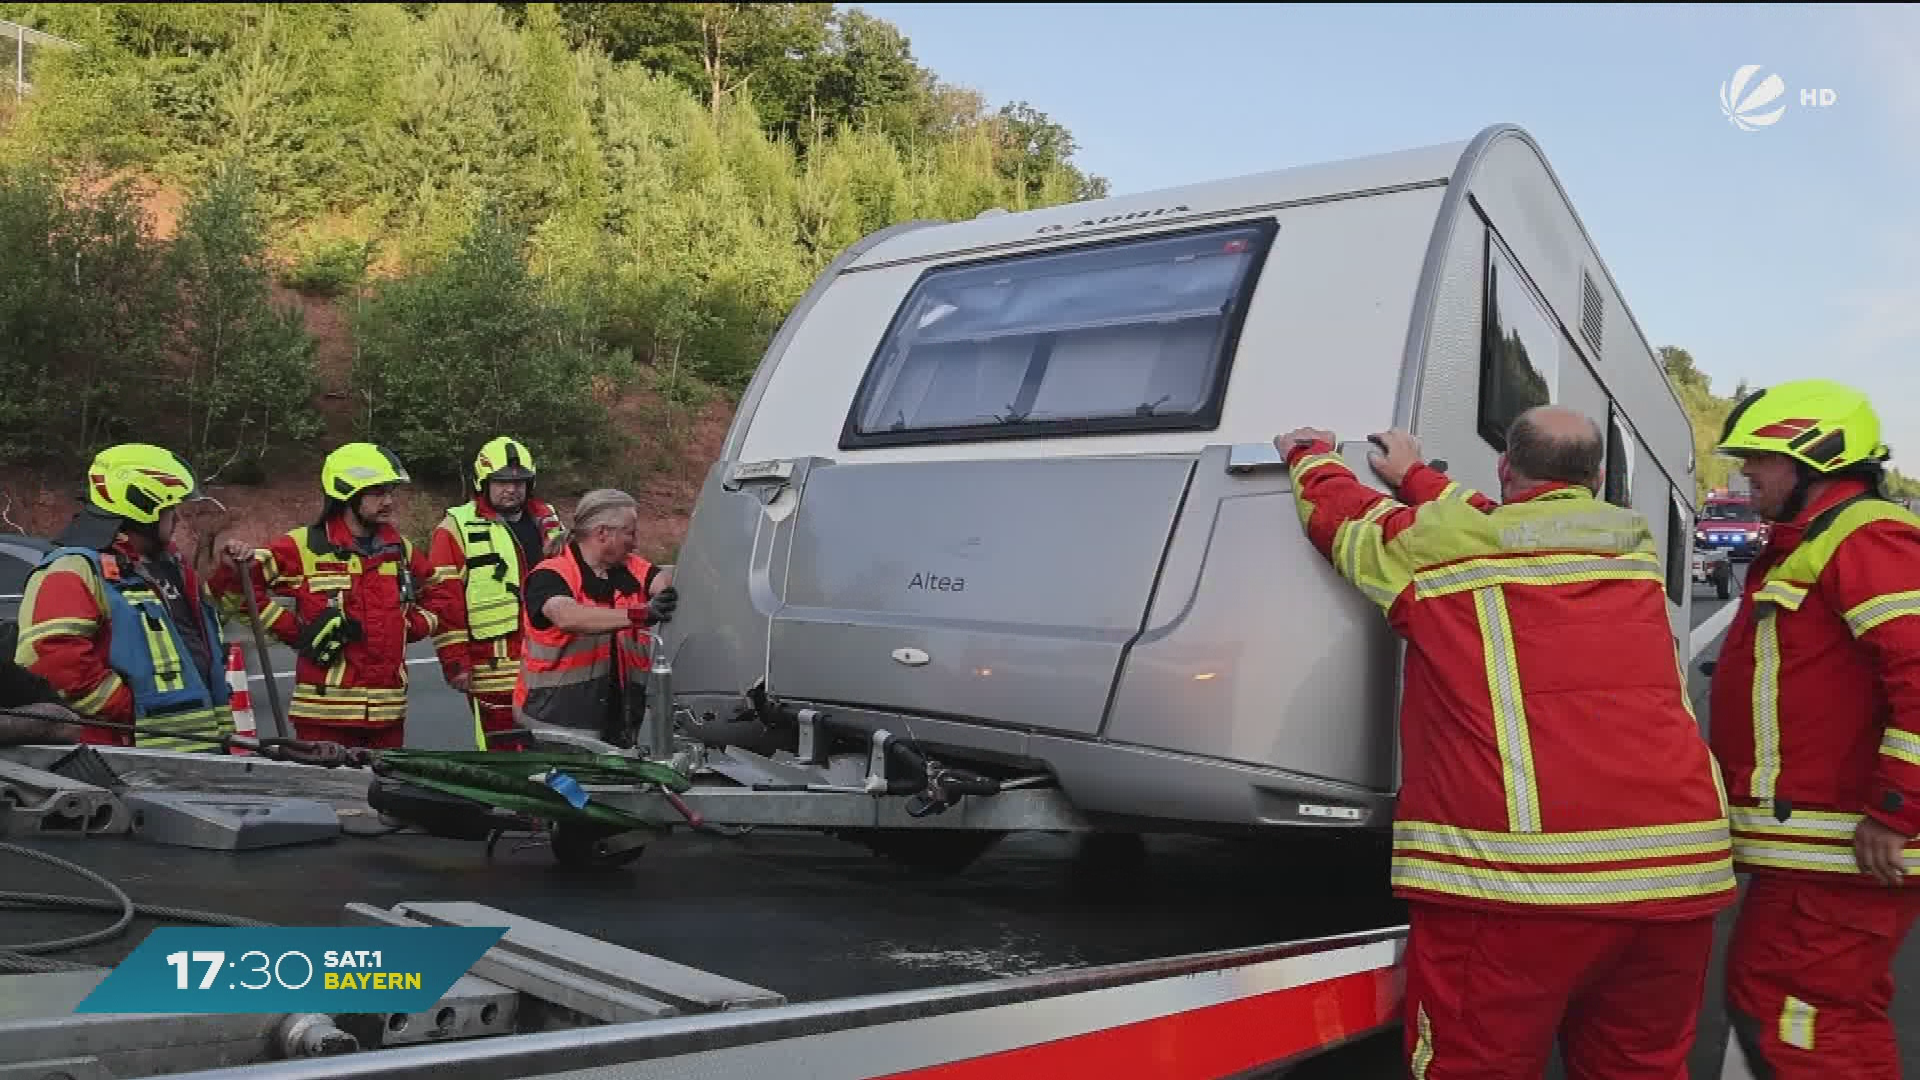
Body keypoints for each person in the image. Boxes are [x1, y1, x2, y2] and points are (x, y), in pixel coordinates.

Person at [1273, 406, 1735, 1080]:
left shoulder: (1448, 552)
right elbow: (1509, 522)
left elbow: (1348, 523)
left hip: (1518, 891)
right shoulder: (1631, 553)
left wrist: (1308, 454)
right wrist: (1420, 478)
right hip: (1676, 881)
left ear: (1504, 468)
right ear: (1598, 479)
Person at [1706, 379, 1920, 1078]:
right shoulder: (1817, 542)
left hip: (1847, 856)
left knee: (1808, 1023)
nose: (1746, 474)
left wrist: (1897, 811)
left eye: (1758, 459)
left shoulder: (1869, 538)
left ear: (1811, 459)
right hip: (1815, 857)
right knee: (1788, 1007)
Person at [209, 442, 460, 750]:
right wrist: (295, 631)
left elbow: (441, 593)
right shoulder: (303, 546)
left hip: (387, 715)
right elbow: (235, 592)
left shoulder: (399, 549)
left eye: (390, 491)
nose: (389, 501)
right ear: (348, 493)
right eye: (378, 492)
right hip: (323, 719)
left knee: (384, 798)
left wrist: (409, 626)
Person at [12, 443, 237, 752]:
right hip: (126, 761)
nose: (177, 520)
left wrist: (230, 573)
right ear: (145, 507)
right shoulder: (72, 569)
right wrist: (132, 708)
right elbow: (53, 660)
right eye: (171, 509)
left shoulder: (168, 566)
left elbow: (199, 635)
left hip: (198, 753)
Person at [428, 436, 566, 752]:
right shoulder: (456, 527)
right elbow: (444, 600)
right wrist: (455, 662)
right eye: (502, 481)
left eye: (519, 482)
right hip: (493, 666)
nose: (511, 489)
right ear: (483, 482)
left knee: (553, 747)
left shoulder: (549, 521)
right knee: (503, 750)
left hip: (550, 659)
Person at [514, 489, 676, 749]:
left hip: (618, 724)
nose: (635, 543)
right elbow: (567, 616)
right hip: (556, 729)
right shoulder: (551, 574)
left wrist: (667, 592)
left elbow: (664, 582)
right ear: (603, 533)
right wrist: (639, 614)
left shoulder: (628, 566)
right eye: (629, 533)